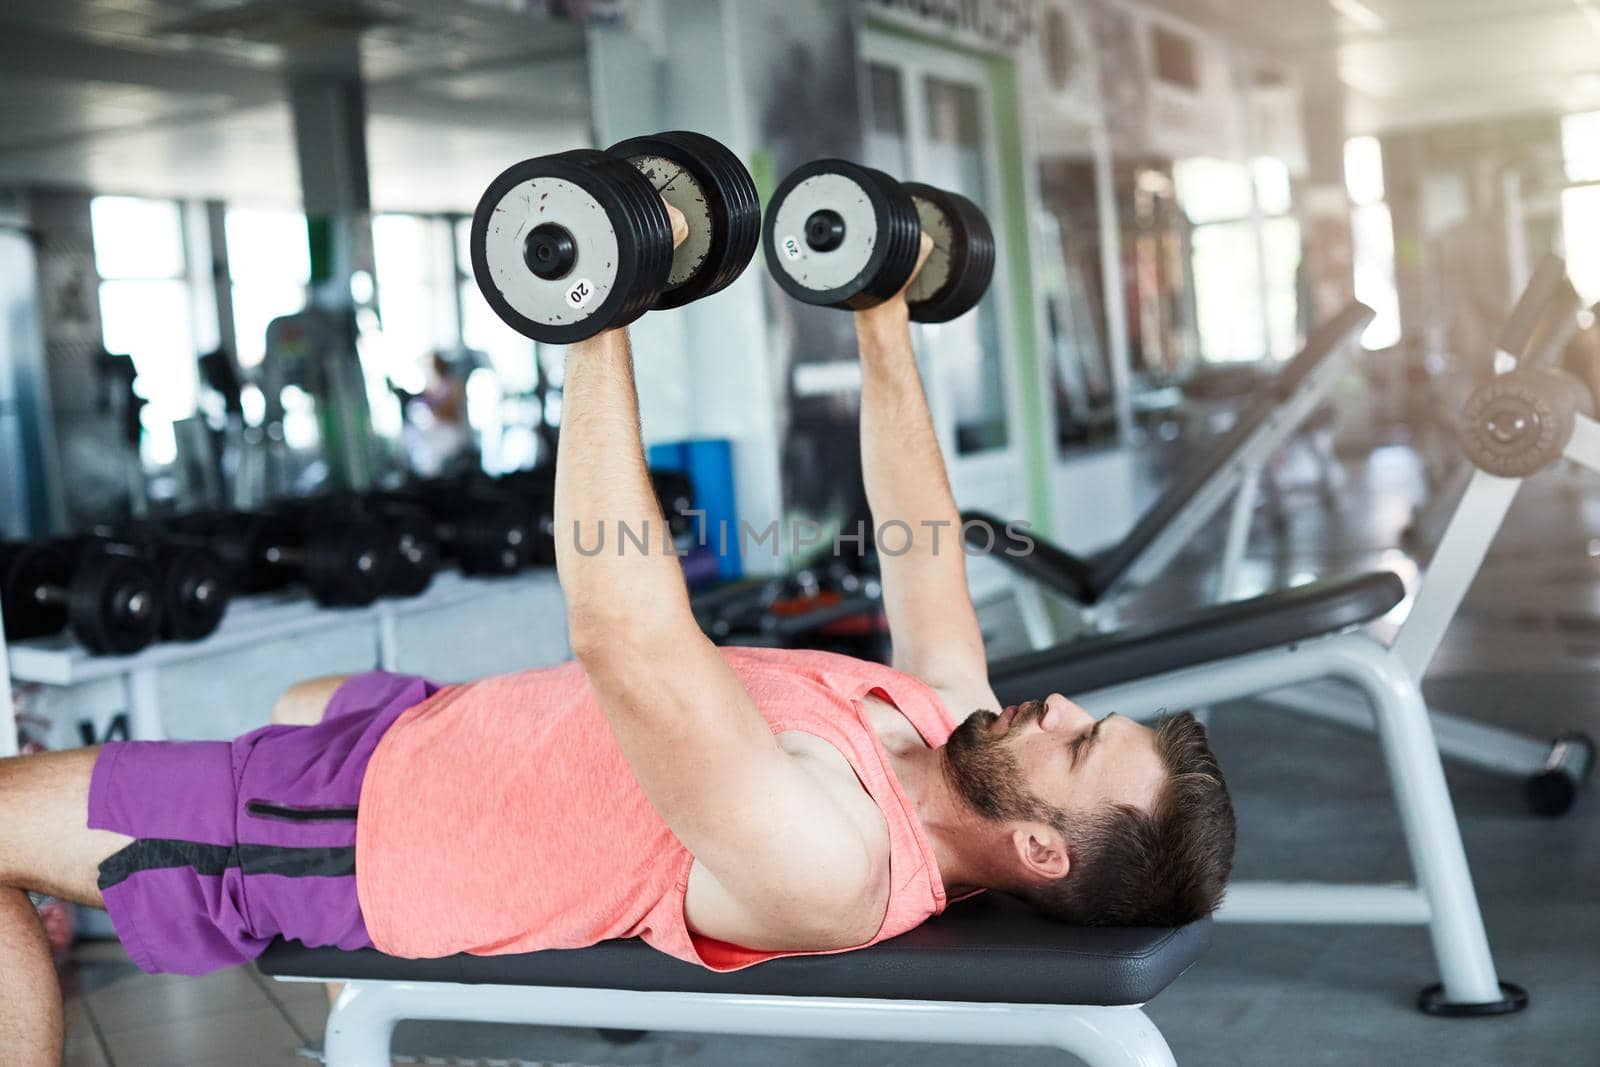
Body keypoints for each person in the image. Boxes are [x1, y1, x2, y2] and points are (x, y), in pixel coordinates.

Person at [0, 210, 1235, 1063]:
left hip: (373, 824)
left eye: (1076, 746)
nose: (1058, 706)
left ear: (1038, 847)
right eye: (1089, 716)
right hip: (439, 731)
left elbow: (628, 640)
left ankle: (322, 923)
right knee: (301, 693)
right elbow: (921, 538)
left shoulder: (832, 856)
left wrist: (596, 314)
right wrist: (881, 307)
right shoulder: (942, 725)